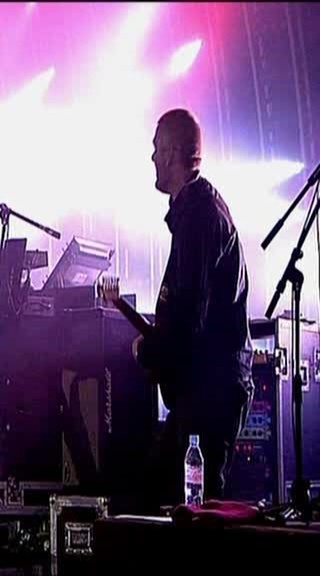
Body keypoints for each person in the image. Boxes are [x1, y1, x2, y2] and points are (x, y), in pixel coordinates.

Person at [136, 108, 254, 509]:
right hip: (205, 389)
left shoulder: (200, 218)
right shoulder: (198, 211)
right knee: (167, 490)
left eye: (156, 148)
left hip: (211, 391)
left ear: (171, 153)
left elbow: (189, 315)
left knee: (194, 505)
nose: (152, 157)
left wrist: (148, 350)